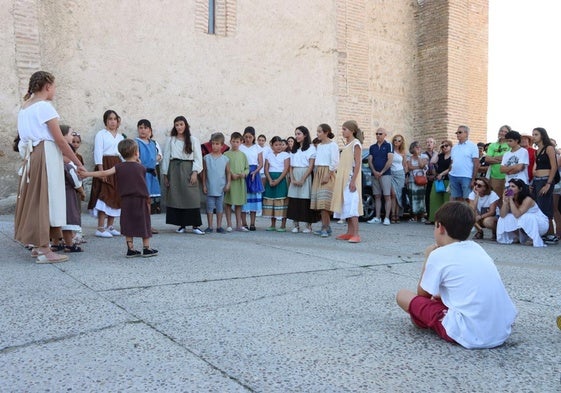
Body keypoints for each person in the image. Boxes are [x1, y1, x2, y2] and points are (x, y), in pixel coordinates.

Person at [396, 201, 517, 349]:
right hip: (501, 330)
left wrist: (428, 258)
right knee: (438, 297)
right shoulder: (477, 248)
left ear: (440, 227)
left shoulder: (438, 254)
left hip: (470, 334)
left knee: (403, 295)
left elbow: (423, 294)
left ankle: (425, 320)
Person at [15, 71, 84, 263]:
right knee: (47, 200)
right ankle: (45, 249)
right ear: (47, 86)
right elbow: (61, 141)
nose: (54, 90)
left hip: (32, 156)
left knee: (36, 199)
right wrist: (77, 163)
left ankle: (39, 246)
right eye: (54, 87)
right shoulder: (44, 107)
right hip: (45, 155)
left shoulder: (24, 108)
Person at [81, 139, 158, 257]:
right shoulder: (141, 167)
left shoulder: (118, 167)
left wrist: (87, 174)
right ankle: (146, 247)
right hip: (140, 199)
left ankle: (130, 249)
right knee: (144, 223)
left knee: (128, 223)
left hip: (126, 200)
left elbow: (104, 173)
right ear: (136, 153)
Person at [161, 116, 205, 235]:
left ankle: (195, 225)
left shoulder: (193, 140)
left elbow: (198, 157)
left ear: (185, 125)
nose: (179, 127)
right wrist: (165, 175)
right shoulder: (171, 140)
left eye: (181, 124)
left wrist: (195, 172)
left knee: (191, 196)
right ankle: (182, 225)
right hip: (174, 169)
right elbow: (166, 157)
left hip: (188, 168)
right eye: (177, 125)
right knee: (177, 196)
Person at [89, 109, 124, 238]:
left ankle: (110, 226)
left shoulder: (120, 137)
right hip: (105, 164)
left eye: (115, 119)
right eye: (110, 119)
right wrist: (101, 170)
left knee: (115, 195)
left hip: (117, 166)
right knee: (104, 194)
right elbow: (98, 151)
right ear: (106, 121)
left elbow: (122, 154)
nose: (112, 121)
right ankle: (100, 227)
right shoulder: (101, 134)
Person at [331, 120, 363, 243]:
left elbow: (358, 163)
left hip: (350, 179)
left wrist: (353, 181)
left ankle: (356, 234)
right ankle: (349, 232)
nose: (342, 131)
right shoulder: (347, 144)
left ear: (352, 130)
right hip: (343, 178)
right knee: (346, 205)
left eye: (345, 129)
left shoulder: (356, 144)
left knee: (352, 206)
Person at [496, 179, 548, 247]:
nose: (510, 188)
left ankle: (532, 238)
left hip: (540, 224)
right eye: (509, 186)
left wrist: (511, 200)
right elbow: (502, 215)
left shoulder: (528, 199)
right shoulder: (511, 198)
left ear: (520, 189)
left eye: (513, 186)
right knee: (505, 218)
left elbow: (517, 214)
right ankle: (516, 237)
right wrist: (505, 202)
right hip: (525, 221)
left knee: (527, 216)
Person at [58, 125, 85, 252]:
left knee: (58, 221)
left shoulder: (56, 163)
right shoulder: (68, 165)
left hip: (57, 195)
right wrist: (81, 191)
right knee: (67, 221)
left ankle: (56, 242)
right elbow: (75, 181)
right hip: (68, 196)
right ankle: (69, 244)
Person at [287, 126, 318, 233]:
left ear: (305, 135)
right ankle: (295, 224)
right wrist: (292, 178)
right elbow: (290, 166)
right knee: (294, 199)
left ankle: (308, 225)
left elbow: (310, 166)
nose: (297, 136)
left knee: (305, 199)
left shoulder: (311, 148)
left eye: (299, 134)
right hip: (295, 173)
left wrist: (303, 179)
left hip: (305, 174)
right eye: (296, 134)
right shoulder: (294, 150)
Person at [310, 123, 339, 237]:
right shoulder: (319, 146)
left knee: (325, 202)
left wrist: (328, 174)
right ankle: (326, 226)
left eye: (319, 131)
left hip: (328, 173)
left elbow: (335, 161)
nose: (317, 134)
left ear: (326, 132)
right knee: (320, 203)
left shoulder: (333, 145)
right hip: (319, 173)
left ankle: (325, 227)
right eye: (317, 131)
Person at [531, 127, 559, 243]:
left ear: (542, 135)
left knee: (545, 207)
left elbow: (554, 166)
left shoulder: (549, 148)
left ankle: (551, 234)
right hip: (537, 180)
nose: (533, 136)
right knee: (538, 206)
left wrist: (548, 183)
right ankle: (544, 233)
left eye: (536, 134)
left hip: (545, 180)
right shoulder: (537, 150)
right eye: (533, 134)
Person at [135, 119, 161, 234]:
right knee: (141, 200)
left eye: (145, 128)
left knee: (148, 200)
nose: (143, 130)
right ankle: (139, 225)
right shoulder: (135, 143)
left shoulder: (153, 143)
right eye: (140, 127)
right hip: (141, 174)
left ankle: (147, 224)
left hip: (151, 174)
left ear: (150, 130)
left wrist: (157, 158)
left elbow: (159, 155)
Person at [201, 132, 230, 234]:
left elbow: (228, 173)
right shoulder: (206, 158)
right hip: (210, 187)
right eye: (213, 143)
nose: (215, 146)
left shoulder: (225, 159)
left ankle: (219, 226)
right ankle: (209, 226)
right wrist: (204, 185)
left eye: (217, 144)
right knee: (209, 207)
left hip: (221, 188)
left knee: (219, 207)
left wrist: (228, 184)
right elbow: (204, 172)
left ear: (222, 145)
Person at [263, 136, 290, 232]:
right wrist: (270, 180)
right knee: (272, 201)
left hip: (281, 179)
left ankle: (283, 225)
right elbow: (266, 168)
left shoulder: (285, 155)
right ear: (271, 145)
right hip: (271, 178)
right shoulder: (268, 155)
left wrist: (278, 180)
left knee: (281, 201)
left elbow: (286, 169)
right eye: (276, 145)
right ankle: (272, 224)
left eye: (280, 145)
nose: (278, 147)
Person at [367, 127, 393, 225]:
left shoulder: (388, 145)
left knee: (387, 196)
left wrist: (382, 172)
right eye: (377, 133)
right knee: (377, 196)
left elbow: (390, 159)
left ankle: (386, 218)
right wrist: (374, 171)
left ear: (385, 135)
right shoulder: (372, 147)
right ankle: (377, 217)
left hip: (385, 174)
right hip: (374, 175)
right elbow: (370, 160)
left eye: (380, 134)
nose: (378, 135)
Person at [240, 126, 264, 231]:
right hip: (243, 173)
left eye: (250, 137)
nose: (248, 139)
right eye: (246, 137)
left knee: (254, 198)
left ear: (254, 137)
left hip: (254, 173)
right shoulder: (240, 147)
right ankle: (244, 223)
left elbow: (261, 163)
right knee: (243, 198)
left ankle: (253, 223)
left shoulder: (257, 148)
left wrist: (255, 171)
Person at [224, 132, 249, 232]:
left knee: (239, 204)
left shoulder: (243, 155)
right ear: (230, 141)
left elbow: (247, 168)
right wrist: (231, 174)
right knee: (228, 203)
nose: (235, 143)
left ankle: (239, 225)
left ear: (241, 142)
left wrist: (244, 173)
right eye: (233, 141)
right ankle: (229, 224)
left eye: (237, 142)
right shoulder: (226, 154)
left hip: (240, 182)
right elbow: (224, 167)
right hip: (230, 182)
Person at [448, 125, 479, 202]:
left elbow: (476, 163)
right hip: (454, 176)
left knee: (468, 198)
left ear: (466, 134)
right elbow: (452, 162)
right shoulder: (454, 147)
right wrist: (450, 173)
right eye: (457, 132)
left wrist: (473, 179)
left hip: (466, 176)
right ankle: (460, 214)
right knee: (457, 199)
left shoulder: (473, 146)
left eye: (460, 132)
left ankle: (469, 214)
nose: (457, 134)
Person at [427, 140, 452, 224]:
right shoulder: (440, 155)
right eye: (443, 146)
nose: (444, 147)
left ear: (451, 146)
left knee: (446, 200)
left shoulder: (453, 156)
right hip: (439, 180)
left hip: (448, 179)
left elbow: (451, 168)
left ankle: (446, 219)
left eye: (446, 145)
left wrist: (442, 174)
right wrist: (438, 150)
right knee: (434, 198)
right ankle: (435, 219)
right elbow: (432, 161)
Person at [485, 125, 511, 200]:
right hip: (494, 176)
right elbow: (487, 159)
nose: (503, 133)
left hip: (508, 176)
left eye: (505, 132)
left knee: (508, 197)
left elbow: (508, 158)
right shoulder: (492, 145)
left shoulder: (510, 145)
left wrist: (493, 158)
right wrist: (501, 160)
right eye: (501, 131)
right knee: (495, 198)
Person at [406, 141, 428, 222]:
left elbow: (422, 166)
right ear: (412, 148)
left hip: (421, 179)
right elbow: (409, 167)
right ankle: (414, 216)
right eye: (416, 147)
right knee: (413, 198)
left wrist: (418, 156)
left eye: (419, 147)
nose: (418, 148)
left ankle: (422, 216)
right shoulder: (409, 157)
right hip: (412, 179)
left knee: (421, 198)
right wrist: (418, 166)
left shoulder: (424, 156)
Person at [389, 134, 407, 223]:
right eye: (395, 140)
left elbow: (404, 165)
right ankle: (393, 214)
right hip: (391, 173)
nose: (397, 142)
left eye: (399, 140)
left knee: (399, 195)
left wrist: (406, 176)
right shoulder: (390, 151)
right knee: (393, 194)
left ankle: (398, 214)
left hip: (400, 174)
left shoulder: (403, 152)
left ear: (401, 142)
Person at [422, 137, 436, 220]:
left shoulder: (437, 154)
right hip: (427, 178)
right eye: (427, 142)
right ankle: (428, 214)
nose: (429, 143)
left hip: (436, 177)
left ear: (434, 144)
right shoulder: (423, 154)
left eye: (431, 142)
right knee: (427, 196)